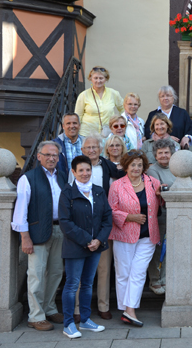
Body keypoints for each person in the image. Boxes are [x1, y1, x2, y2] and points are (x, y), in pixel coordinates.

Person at [11, 141, 66, 331]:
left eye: (55, 155)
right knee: (37, 275)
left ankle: (49, 308)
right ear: (39, 156)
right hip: (37, 232)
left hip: (60, 230)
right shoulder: (28, 178)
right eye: (48, 154)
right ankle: (35, 316)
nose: (52, 158)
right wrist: (25, 237)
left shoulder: (63, 176)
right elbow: (20, 211)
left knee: (56, 273)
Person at [59, 155, 112, 339]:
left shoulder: (98, 191)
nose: (85, 173)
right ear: (73, 172)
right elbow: (65, 222)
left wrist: (98, 240)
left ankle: (86, 320)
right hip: (75, 246)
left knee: (88, 284)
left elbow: (107, 218)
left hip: (96, 246)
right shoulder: (67, 193)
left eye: (88, 170)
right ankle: (68, 324)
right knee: (73, 285)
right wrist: (87, 240)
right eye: (80, 170)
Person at [73, 134, 125, 322]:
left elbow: (123, 174)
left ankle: (103, 306)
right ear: (83, 150)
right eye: (88, 148)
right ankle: (77, 309)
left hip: (102, 223)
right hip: (81, 225)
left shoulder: (106, 164)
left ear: (100, 149)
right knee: (79, 270)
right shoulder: (77, 166)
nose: (92, 150)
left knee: (104, 268)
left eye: (95, 147)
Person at [108, 150, 163, 327]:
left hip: (148, 235)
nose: (136, 168)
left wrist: (163, 194)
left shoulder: (153, 183)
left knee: (138, 273)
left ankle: (130, 310)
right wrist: (130, 217)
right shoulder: (117, 185)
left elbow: (161, 203)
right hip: (124, 234)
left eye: (140, 165)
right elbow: (111, 210)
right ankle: (126, 309)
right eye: (133, 164)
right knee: (124, 273)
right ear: (126, 166)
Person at [145, 139, 177, 295]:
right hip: (161, 215)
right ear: (155, 155)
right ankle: (155, 279)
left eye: (167, 152)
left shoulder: (176, 168)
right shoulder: (153, 170)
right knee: (159, 249)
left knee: (170, 249)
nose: (164, 156)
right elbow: (161, 190)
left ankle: (165, 277)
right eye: (160, 153)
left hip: (176, 214)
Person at [75, 66, 124, 137]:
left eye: (101, 78)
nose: (98, 81)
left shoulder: (114, 93)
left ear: (106, 79)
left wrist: (120, 124)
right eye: (95, 78)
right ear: (90, 79)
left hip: (107, 135)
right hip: (87, 134)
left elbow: (123, 110)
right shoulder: (83, 95)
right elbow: (78, 116)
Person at [54, 112, 85, 181]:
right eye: (68, 123)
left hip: (83, 185)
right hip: (63, 186)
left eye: (75, 123)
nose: (72, 126)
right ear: (63, 126)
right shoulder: (55, 145)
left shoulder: (86, 143)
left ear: (79, 125)